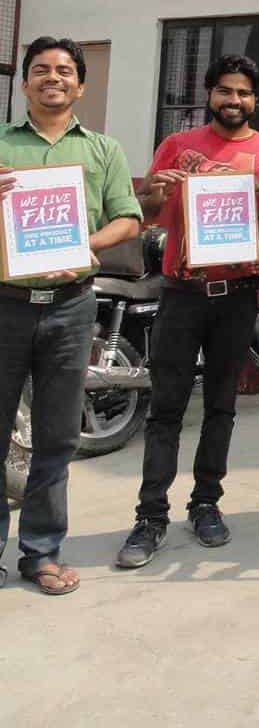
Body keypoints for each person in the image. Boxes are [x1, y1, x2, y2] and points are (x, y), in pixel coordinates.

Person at [116, 56, 259, 569]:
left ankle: (206, 503)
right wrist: (153, 195)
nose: (234, 100)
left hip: (237, 296)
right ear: (210, 94)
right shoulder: (177, 147)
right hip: (182, 293)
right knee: (166, 409)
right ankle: (150, 516)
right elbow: (141, 212)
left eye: (244, 93)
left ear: (256, 100)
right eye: (224, 91)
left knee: (221, 406)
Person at [0, 37, 142, 594]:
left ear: (80, 85)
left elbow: (128, 219)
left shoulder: (103, 150)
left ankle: (41, 552)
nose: (52, 77)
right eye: (40, 69)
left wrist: (89, 246)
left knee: (57, 438)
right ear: (26, 83)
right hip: (5, 304)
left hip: (71, 308)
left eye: (64, 70)